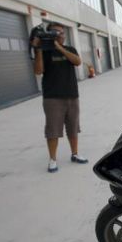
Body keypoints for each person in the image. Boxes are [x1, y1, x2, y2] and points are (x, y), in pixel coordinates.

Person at [32, 22, 88, 173]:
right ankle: (52, 159)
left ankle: (75, 154)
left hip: (71, 95)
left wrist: (59, 48)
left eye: (62, 33)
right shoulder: (44, 51)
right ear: (49, 34)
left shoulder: (69, 49)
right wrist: (37, 50)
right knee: (53, 130)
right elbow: (38, 71)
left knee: (73, 128)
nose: (60, 35)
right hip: (52, 98)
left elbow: (77, 62)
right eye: (57, 32)